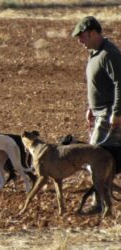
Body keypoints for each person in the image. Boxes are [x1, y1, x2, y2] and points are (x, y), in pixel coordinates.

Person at [72, 16, 121, 212]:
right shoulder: (95, 54)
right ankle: (101, 201)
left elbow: (120, 84)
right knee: (104, 160)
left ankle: (98, 203)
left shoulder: (110, 54)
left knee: (97, 159)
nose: (80, 41)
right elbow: (98, 85)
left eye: (82, 36)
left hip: (109, 115)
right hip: (100, 113)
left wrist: (117, 113)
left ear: (93, 33)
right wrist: (90, 108)